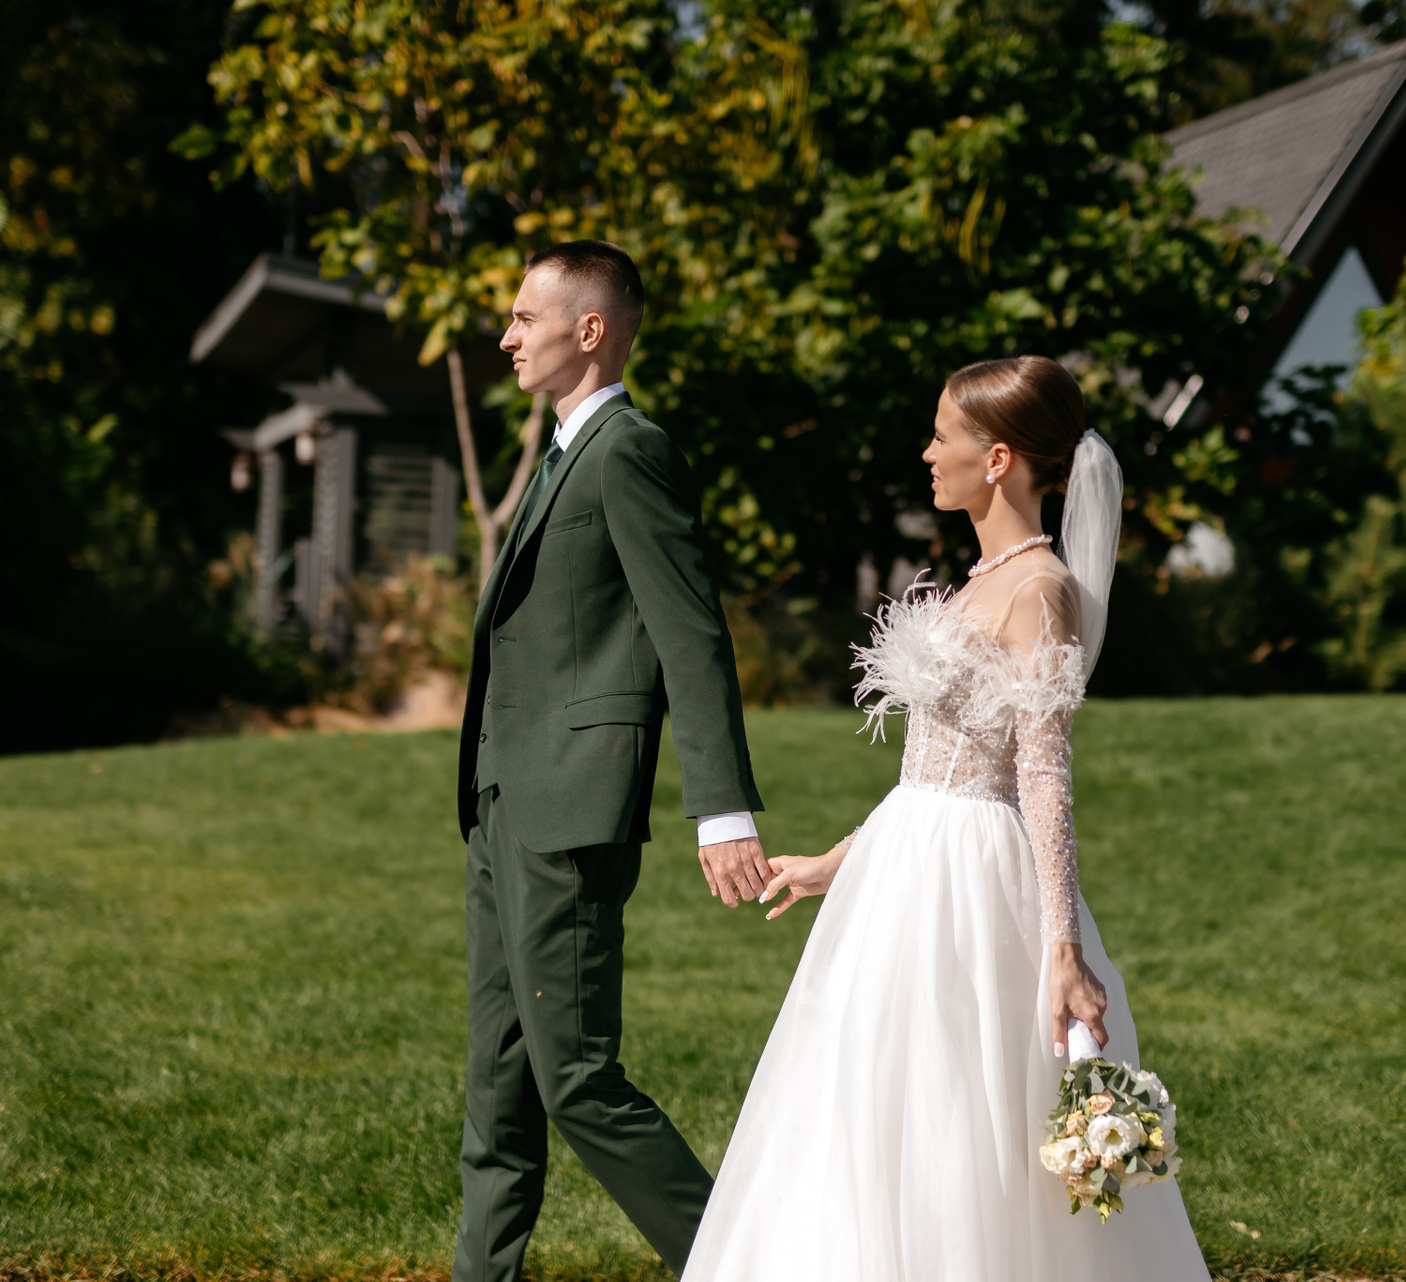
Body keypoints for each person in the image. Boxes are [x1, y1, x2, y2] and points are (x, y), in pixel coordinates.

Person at [682, 356, 1210, 1282]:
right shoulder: (980, 580)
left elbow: (1040, 773)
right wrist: (839, 862)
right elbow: (936, 770)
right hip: (904, 872)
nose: (928, 454)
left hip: (974, 891)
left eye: (942, 436)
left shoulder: (1038, 591)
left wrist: (1062, 948)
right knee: (865, 1102)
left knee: (956, 1106)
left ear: (997, 459)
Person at [452, 240, 775, 1282]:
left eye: (523, 317)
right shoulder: (560, 454)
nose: (507, 337)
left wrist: (721, 808)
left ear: (587, 330)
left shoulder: (628, 452)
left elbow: (690, 632)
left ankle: (747, 1264)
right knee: (498, 1088)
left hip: (571, 809)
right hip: (503, 805)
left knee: (577, 1082)